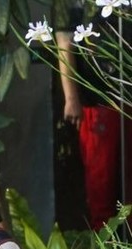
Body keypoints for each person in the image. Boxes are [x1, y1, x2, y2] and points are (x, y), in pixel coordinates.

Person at [58, 3, 132, 230]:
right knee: (101, 184)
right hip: (100, 102)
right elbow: (65, 41)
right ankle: (104, 243)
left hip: (127, 95)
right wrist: (71, 97)